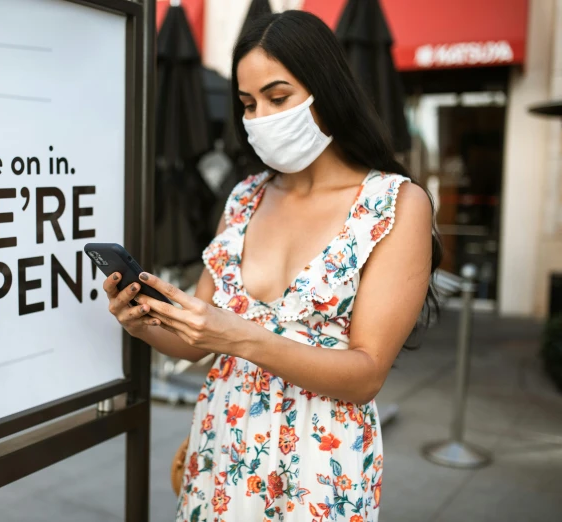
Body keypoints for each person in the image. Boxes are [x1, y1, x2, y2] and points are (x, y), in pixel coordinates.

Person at [103, 11, 441, 522]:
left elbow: (366, 374)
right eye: (247, 104)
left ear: (327, 91)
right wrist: (145, 321)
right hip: (224, 442)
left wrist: (238, 336)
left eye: (278, 98)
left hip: (321, 462)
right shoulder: (243, 199)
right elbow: (198, 338)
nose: (260, 117)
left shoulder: (395, 203)